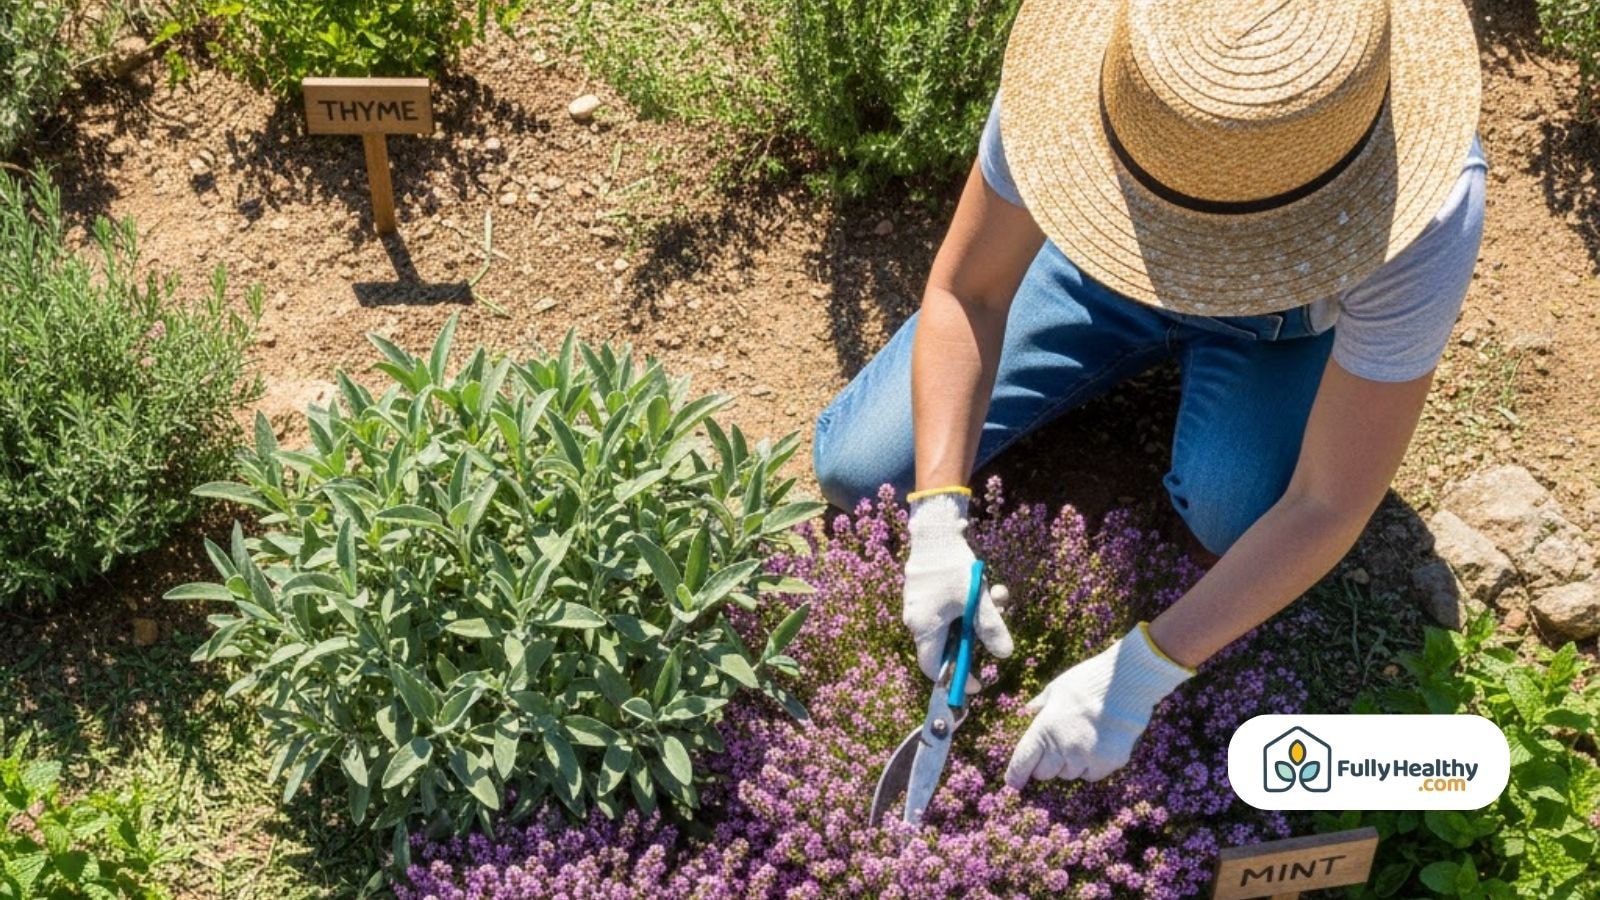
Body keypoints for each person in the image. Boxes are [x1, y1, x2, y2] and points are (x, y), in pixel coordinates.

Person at [811, 0, 1486, 789]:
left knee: (1235, 510)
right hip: (1090, 276)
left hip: (1281, 336)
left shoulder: (1426, 211)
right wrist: (935, 517)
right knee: (861, 471)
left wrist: (1143, 672)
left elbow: (1328, 505)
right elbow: (970, 293)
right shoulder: (1099, 75)